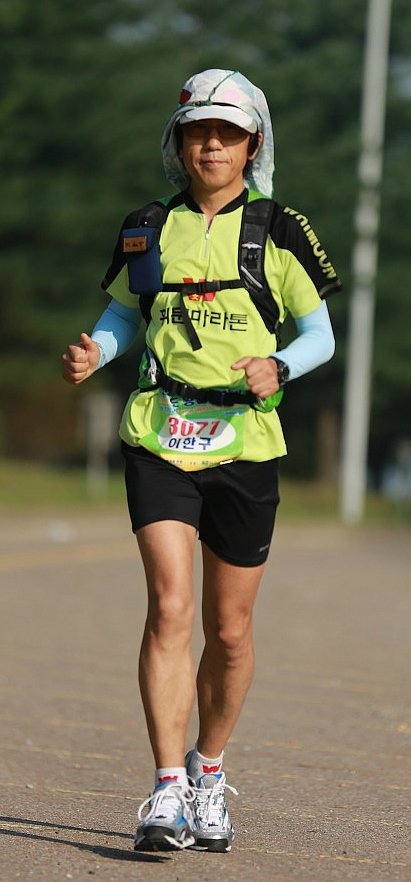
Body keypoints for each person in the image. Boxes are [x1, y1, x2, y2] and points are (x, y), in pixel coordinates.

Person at [62, 68, 341, 853]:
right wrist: (96, 350)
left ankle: (209, 770)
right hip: (159, 430)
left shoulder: (280, 229)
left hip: (245, 442)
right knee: (171, 608)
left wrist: (279, 366)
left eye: (225, 133)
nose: (209, 145)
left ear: (253, 145)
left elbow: (319, 335)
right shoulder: (147, 226)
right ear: (178, 143)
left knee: (229, 629)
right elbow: (123, 311)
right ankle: (165, 790)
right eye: (196, 132)